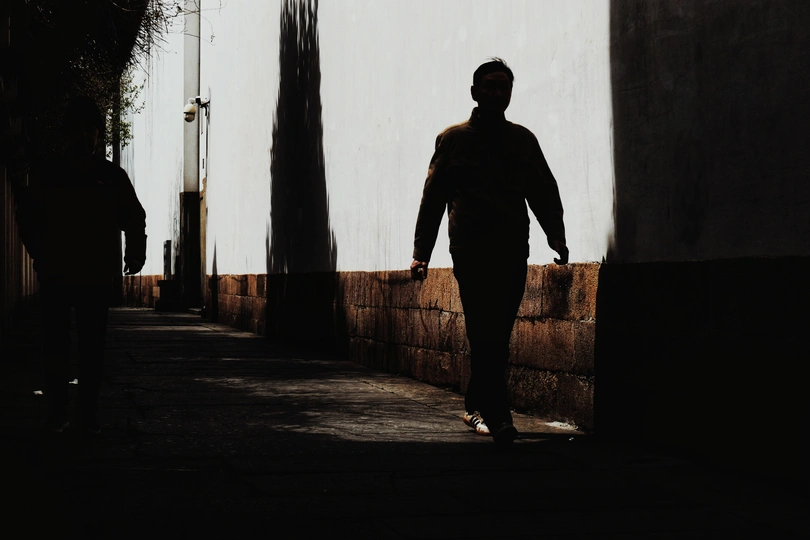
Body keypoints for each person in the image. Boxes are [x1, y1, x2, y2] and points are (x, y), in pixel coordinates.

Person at [410, 59, 568, 444]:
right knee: (484, 329)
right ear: (475, 92)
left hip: (512, 248)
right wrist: (421, 251)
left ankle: (475, 404)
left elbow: (543, 191)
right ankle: (499, 416)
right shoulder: (453, 140)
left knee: (498, 331)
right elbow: (433, 199)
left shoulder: (523, 141)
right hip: (471, 250)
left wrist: (556, 235)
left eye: (504, 87)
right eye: (490, 86)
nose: (498, 93)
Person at [17, 96, 147, 435]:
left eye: (91, 130)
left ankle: (85, 416)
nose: (85, 136)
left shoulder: (111, 176)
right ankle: (57, 413)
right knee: (55, 347)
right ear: (66, 134)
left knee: (92, 348)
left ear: (98, 135)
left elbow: (133, 216)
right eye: (78, 129)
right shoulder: (49, 175)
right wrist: (40, 254)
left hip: (96, 274)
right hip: (57, 272)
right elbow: (27, 217)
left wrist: (135, 253)